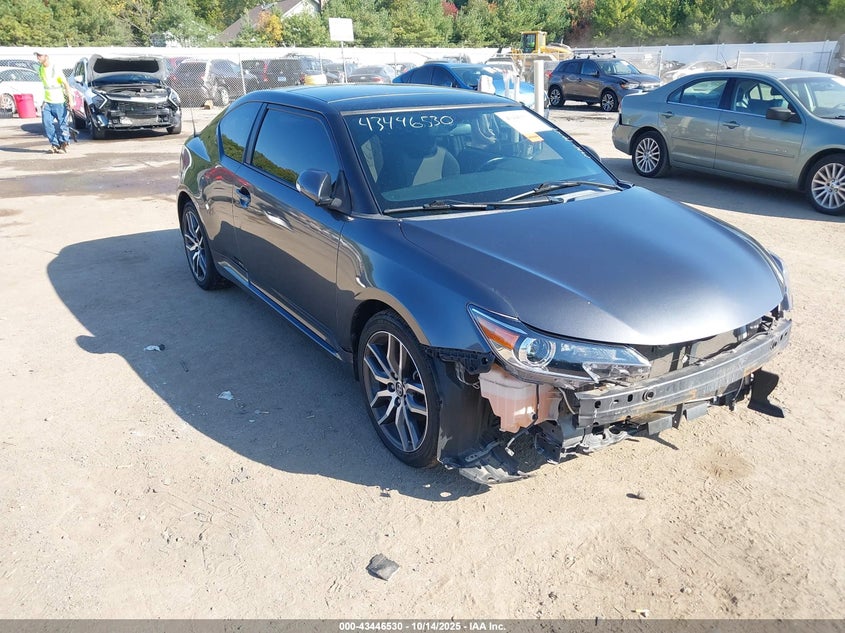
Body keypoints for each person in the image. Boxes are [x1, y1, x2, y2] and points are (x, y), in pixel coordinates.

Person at [34, 52, 71, 154]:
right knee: (47, 124)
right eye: (37, 55)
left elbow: (66, 85)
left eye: (40, 55)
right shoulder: (40, 69)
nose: (38, 57)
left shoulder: (55, 68)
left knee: (62, 125)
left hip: (59, 102)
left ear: (46, 56)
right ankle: (55, 144)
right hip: (47, 102)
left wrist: (71, 100)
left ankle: (64, 144)